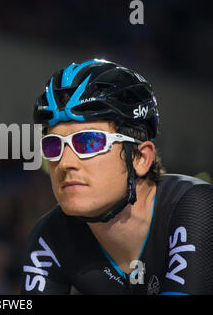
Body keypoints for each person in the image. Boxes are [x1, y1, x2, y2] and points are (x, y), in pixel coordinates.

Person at [20, 59, 213, 295]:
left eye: (89, 142)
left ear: (140, 158)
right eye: (53, 145)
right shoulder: (51, 234)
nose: (65, 163)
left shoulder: (198, 206)